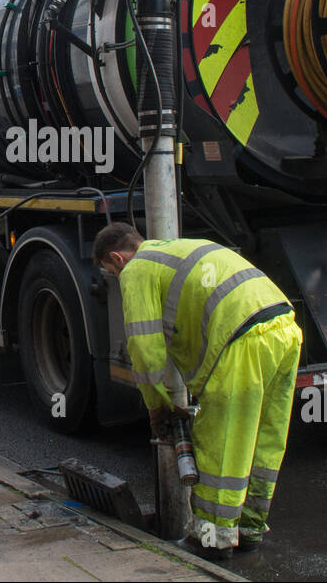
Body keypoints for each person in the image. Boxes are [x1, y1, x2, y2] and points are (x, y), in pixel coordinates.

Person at [94, 222, 303, 560]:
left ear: (118, 258)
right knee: (267, 434)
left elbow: (145, 350)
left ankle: (212, 538)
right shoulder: (181, 248)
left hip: (243, 339)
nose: (119, 279)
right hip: (285, 328)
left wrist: (157, 406)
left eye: (112, 272)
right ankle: (250, 528)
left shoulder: (136, 269)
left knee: (222, 441)